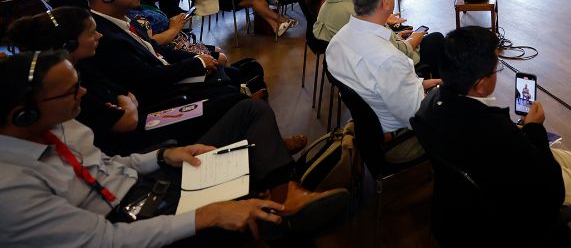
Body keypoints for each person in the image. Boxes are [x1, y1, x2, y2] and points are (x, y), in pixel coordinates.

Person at [0, 51, 350, 247]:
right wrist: (205, 216)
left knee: (248, 109)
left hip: (150, 185)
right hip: (128, 223)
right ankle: (279, 205)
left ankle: (281, 196)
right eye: (71, 91)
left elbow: (107, 164)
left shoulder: (61, 123)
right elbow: (105, 240)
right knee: (253, 223)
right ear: (23, 113)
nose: (85, 95)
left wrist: (161, 156)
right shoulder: (12, 189)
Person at [413, 26, 571, 245]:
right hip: (513, 217)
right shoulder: (495, 132)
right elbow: (551, 191)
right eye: (495, 67)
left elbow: (496, 146)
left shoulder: (432, 104)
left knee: (567, 159)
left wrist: (522, 134)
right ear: (480, 84)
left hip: (468, 204)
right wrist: (534, 128)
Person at [7, 7, 242, 155]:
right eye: (91, 33)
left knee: (233, 99)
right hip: (141, 133)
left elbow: (125, 96)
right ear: (69, 44)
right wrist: (126, 105)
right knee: (234, 102)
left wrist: (125, 104)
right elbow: (125, 122)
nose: (99, 36)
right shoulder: (68, 83)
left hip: (146, 118)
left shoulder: (84, 66)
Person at [326, 0, 440, 163]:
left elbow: (374, 84)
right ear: (387, 1)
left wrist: (416, 85)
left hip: (369, 133)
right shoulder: (389, 59)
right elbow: (417, 117)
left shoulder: (337, 42)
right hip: (399, 140)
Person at [86, 0, 242, 104]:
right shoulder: (102, 35)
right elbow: (147, 78)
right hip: (163, 95)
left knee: (235, 72)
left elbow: (156, 49)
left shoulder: (124, 20)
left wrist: (197, 57)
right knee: (231, 87)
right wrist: (197, 63)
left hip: (165, 74)